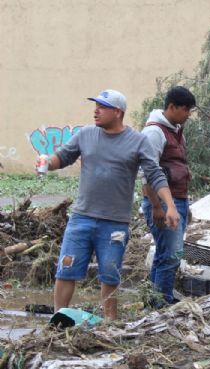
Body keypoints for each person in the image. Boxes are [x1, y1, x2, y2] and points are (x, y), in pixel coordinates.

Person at [42, 89, 180, 321]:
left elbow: (155, 175)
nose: (96, 111)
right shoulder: (86, 134)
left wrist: (170, 206)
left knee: (110, 274)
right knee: (66, 270)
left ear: (118, 112)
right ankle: (57, 321)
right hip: (81, 218)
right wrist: (47, 162)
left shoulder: (138, 141)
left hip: (114, 223)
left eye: (102, 107)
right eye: (95, 106)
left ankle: (110, 325)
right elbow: (63, 157)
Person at [141, 86, 196, 307]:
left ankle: (152, 305)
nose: (188, 115)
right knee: (170, 257)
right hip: (164, 203)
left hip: (177, 201)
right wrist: (156, 206)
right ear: (171, 107)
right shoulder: (155, 133)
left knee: (166, 255)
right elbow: (147, 173)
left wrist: (184, 204)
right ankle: (160, 308)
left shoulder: (175, 130)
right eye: (185, 110)